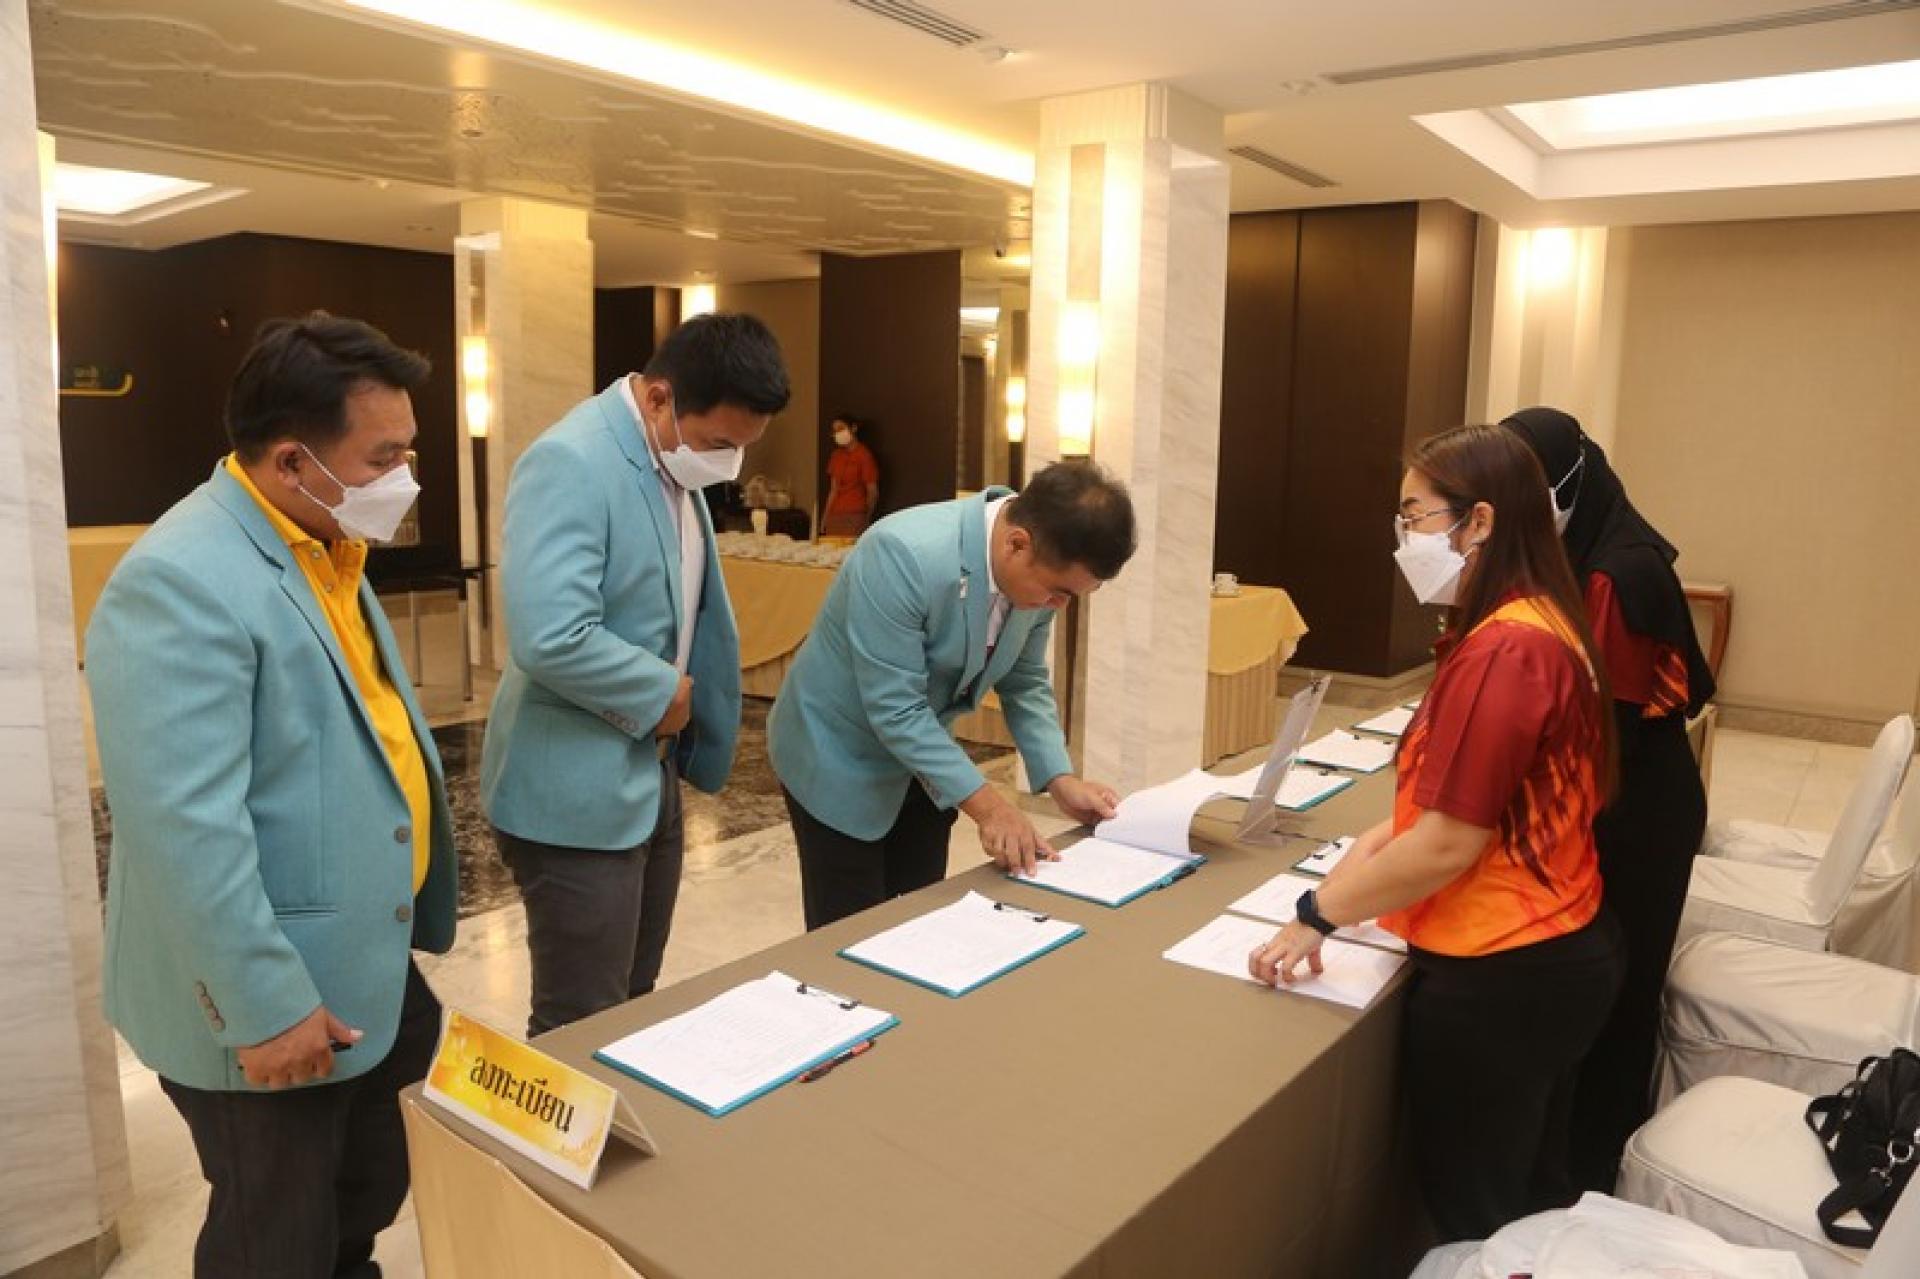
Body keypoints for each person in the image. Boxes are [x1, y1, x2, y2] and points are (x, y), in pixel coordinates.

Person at [87, 312, 459, 1278]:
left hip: (360, 959)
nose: (406, 478)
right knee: (275, 1240)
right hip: (270, 992)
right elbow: (183, 827)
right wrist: (263, 1006)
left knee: (359, 1197)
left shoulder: (320, 540)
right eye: (386, 457)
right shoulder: (180, 580)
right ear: (294, 460)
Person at [1250, 423, 1625, 1243]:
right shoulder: (1541, 618)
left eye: (1414, 516)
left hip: (1507, 968)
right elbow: (1484, 799)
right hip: (1560, 940)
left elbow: (1452, 842)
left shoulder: (1507, 648)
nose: (1404, 537)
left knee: (1478, 1215)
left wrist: (1317, 913)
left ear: (1479, 521)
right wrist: (1378, 845)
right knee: (1525, 1196)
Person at [480, 312, 789, 1037]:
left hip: (649, 773)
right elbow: (550, 634)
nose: (730, 463)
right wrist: (662, 693)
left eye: (744, 446)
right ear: (658, 397)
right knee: (580, 1020)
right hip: (573, 788)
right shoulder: (572, 461)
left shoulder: (668, 455)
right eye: (720, 443)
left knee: (635, 1000)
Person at [770, 459, 1135, 930]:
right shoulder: (901, 553)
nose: (1058, 606)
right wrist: (992, 809)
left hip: (926, 761)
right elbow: (897, 709)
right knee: (851, 935)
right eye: (1057, 592)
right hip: (837, 751)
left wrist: (1059, 778)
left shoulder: (1041, 576)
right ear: (1016, 543)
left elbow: (1024, 680)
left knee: (920, 920)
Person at [1502, 405, 1716, 1192]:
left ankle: (1597, 1169)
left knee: (1620, 992)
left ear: (1572, 478)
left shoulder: (1615, 575)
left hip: (1638, 811)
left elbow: (1603, 734)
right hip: (1626, 787)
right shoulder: (1588, 546)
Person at [821, 412, 879, 538]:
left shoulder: (864, 455)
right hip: (835, 514)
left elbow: (872, 491)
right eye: (835, 431)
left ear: (853, 428)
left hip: (855, 514)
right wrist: (825, 517)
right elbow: (833, 490)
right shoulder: (836, 456)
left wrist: (866, 516)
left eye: (841, 428)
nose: (838, 433)